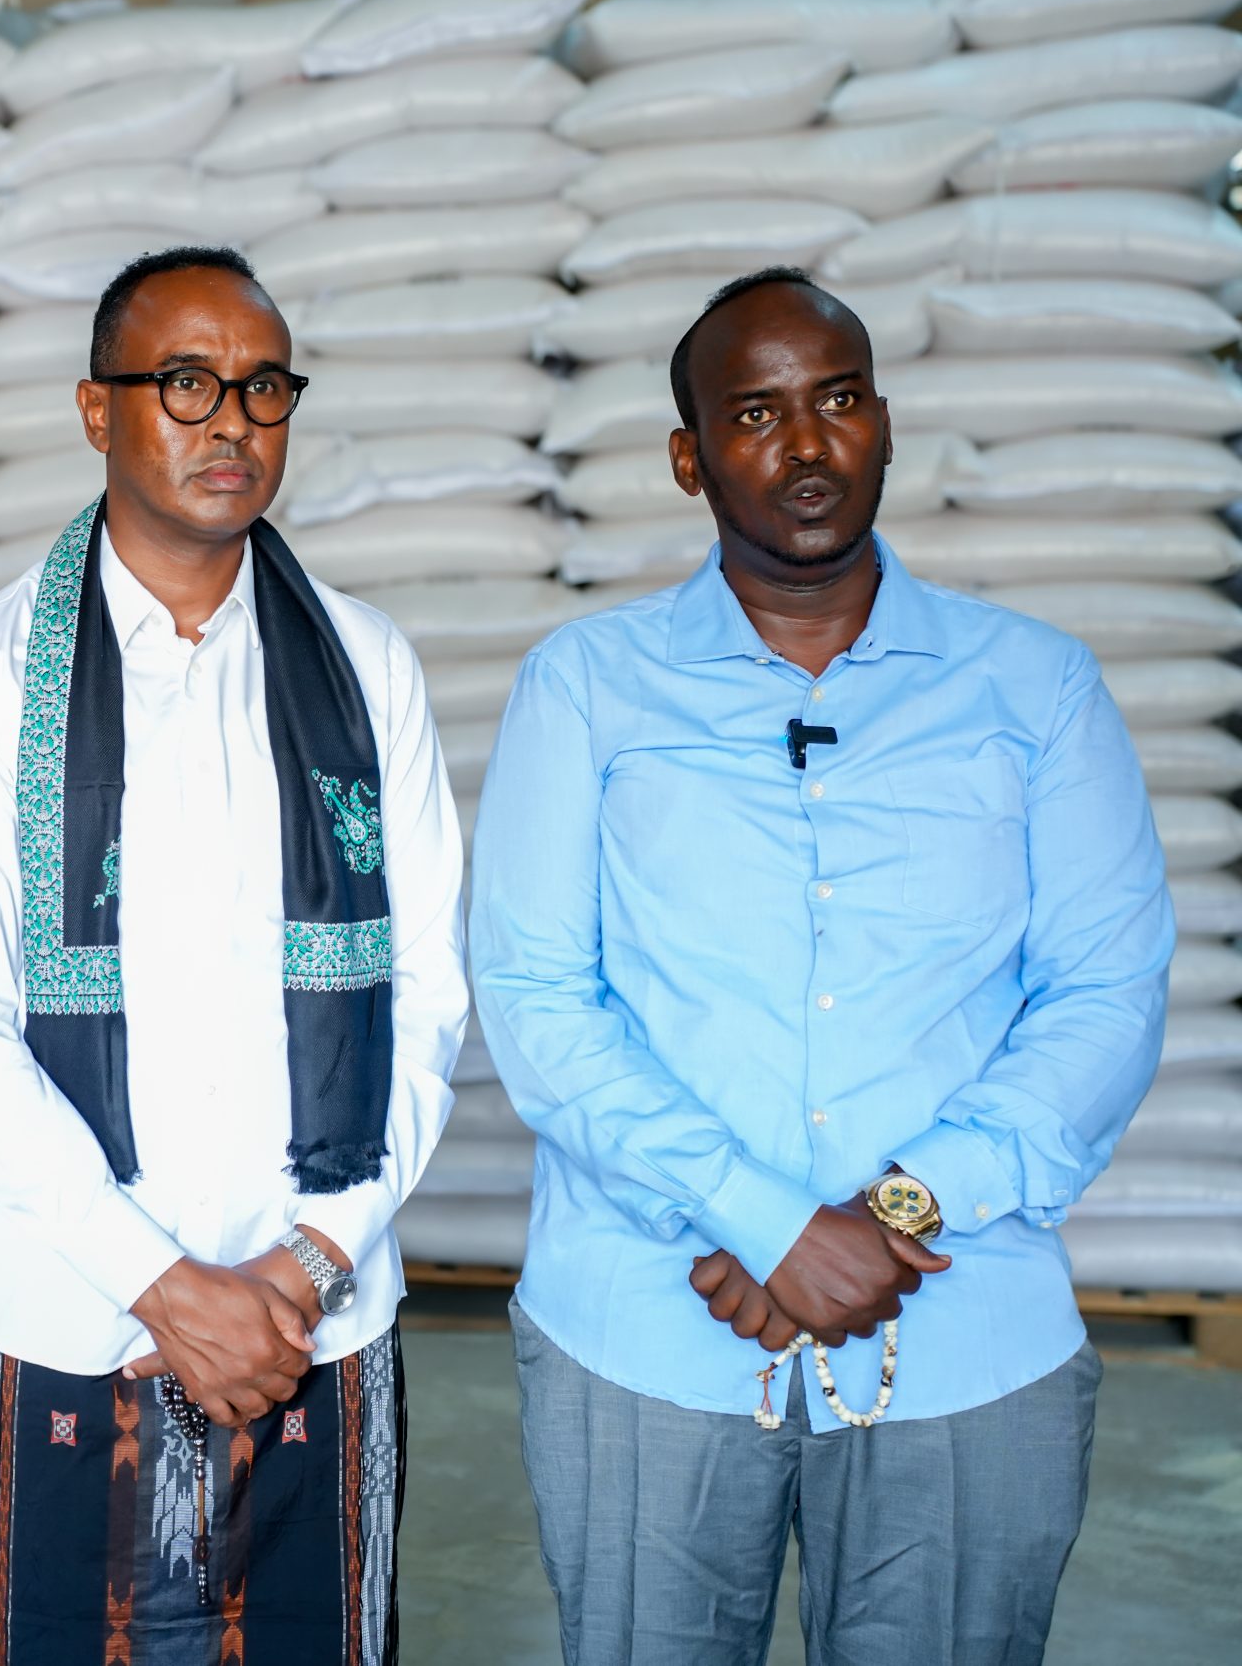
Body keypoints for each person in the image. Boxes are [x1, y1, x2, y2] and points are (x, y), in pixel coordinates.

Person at [471, 267, 1175, 1666]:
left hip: (963, 1344)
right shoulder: (587, 686)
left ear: (883, 422)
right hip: (651, 1339)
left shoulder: (1034, 687)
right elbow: (539, 999)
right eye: (754, 413)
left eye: (838, 399)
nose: (806, 443)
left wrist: (899, 1205)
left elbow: (1105, 990)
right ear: (689, 459)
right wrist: (766, 1222)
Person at [0, 245, 470, 1663]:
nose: (232, 421)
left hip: (314, 1326)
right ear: (98, 408)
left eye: (263, 387)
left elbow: (427, 1000)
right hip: (67, 1318)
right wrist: (163, 1285)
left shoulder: (364, 667)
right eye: (189, 384)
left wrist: (309, 1264)